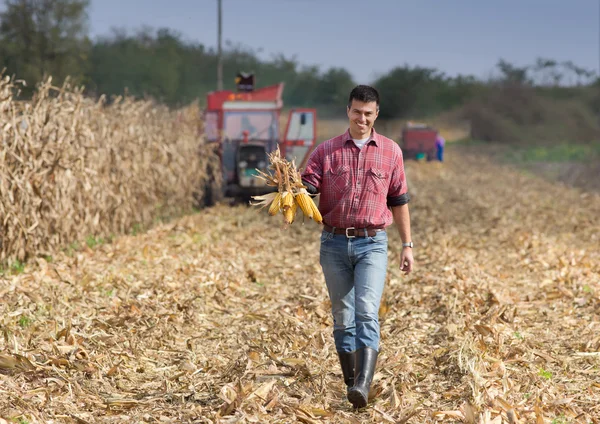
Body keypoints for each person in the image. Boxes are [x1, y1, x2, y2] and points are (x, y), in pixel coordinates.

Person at [301, 85, 414, 409]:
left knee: (366, 311)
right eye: (356, 111)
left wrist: (407, 245)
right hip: (334, 243)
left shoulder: (391, 151)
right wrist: (293, 190)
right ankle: (352, 383)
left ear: (376, 114)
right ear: (348, 111)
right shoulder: (326, 151)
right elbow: (308, 186)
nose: (361, 118)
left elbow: (399, 200)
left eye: (368, 113)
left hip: (372, 244)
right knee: (342, 316)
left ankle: (363, 384)